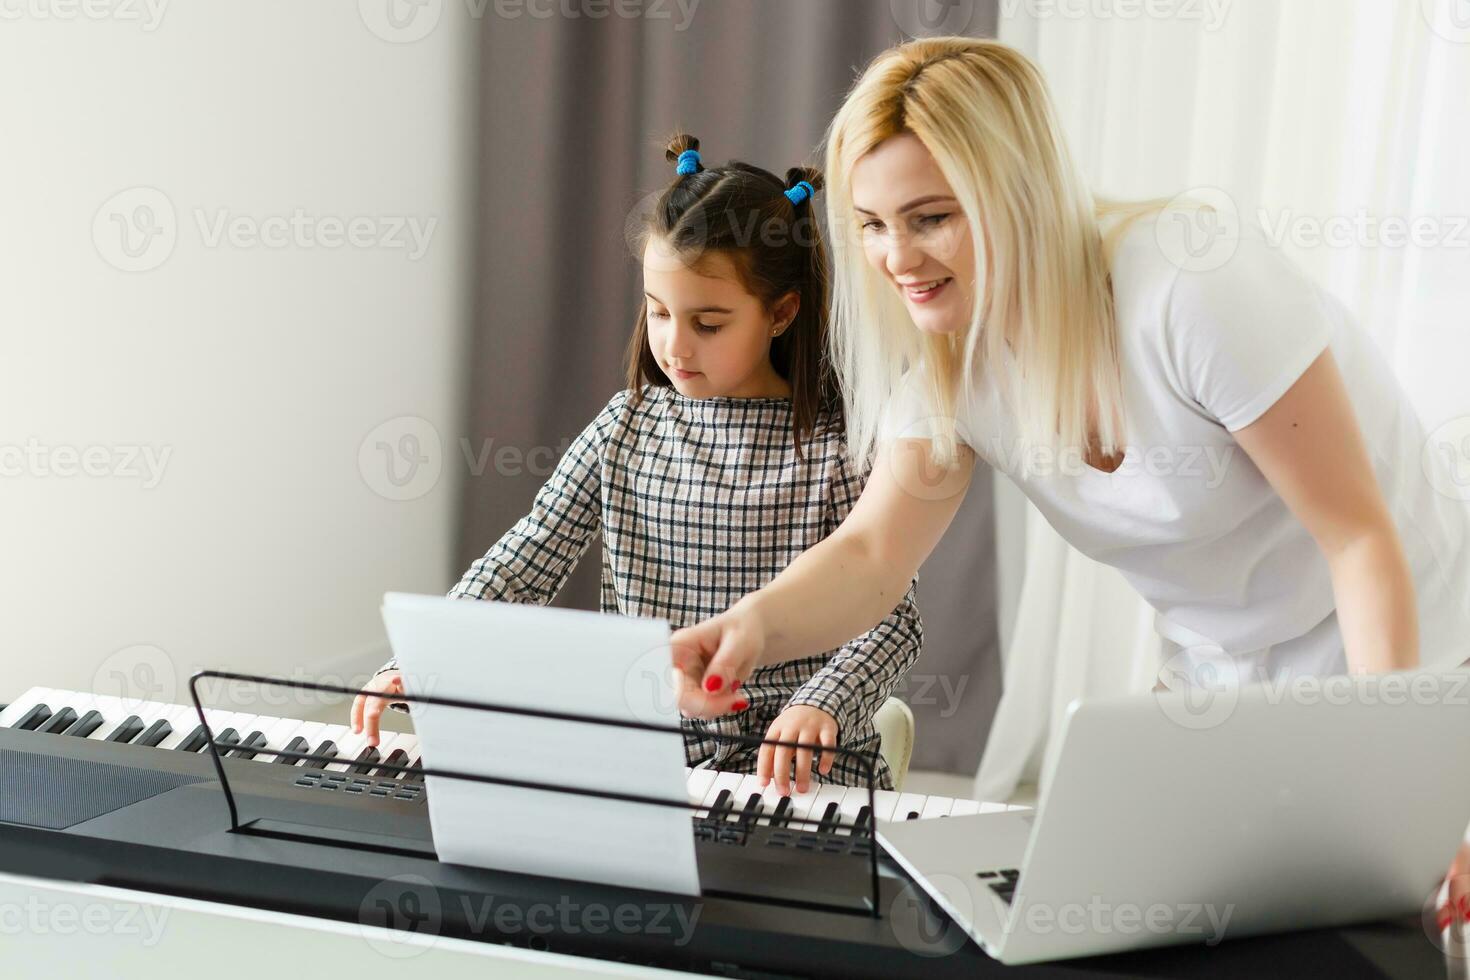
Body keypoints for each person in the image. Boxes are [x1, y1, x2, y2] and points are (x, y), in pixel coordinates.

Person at [667, 38, 1470, 771]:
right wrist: (753, 628)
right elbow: (872, 558)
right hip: (1224, 689)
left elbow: (1360, 540)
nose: (896, 258)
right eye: (873, 225)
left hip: (1413, 665)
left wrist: (1387, 776)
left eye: (932, 218)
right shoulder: (956, 374)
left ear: (1018, 192)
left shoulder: (1193, 289)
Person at [351, 134, 922, 794]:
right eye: (657, 313)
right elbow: (526, 557)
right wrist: (426, 659)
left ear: (781, 313)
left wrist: (822, 701)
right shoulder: (624, 426)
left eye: (708, 323)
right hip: (648, 760)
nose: (674, 344)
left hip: (795, 764)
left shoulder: (841, 447)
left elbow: (892, 617)